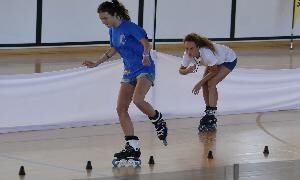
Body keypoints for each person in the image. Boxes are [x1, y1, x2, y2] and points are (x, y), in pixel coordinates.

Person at [82, 0, 168, 165]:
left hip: (145, 69)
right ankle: (132, 146)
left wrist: (144, 56)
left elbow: (145, 43)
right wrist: (96, 63)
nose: (103, 22)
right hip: (129, 72)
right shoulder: (112, 31)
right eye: (101, 19)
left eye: (105, 18)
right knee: (121, 108)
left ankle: (157, 119)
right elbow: (113, 48)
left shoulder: (130, 27)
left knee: (138, 100)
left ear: (115, 14)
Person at [178, 33, 237, 132]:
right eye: (186, 48)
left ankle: (212, 115)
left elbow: (215, 70)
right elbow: (181, 70)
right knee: (205, 83)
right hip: (215, 62)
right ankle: (208, 111)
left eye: (191, 48)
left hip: (228, 59)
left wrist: (199, 83)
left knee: (211, 83)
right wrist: (187, 71)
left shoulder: (206, 52)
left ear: (198, 47)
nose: (189, 52)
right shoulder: (187, 54)